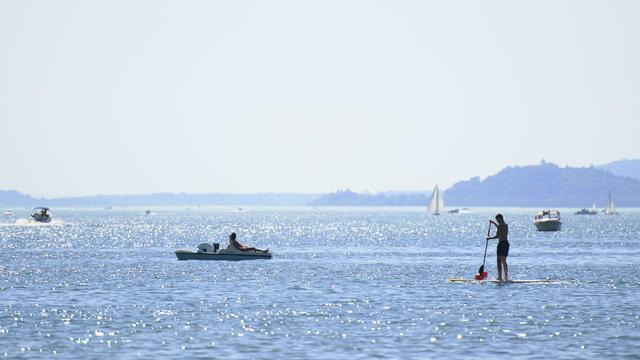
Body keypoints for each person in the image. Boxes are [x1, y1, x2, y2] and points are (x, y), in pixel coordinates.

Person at [486, 213, 509, 283]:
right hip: (506, 244)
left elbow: (497, 236)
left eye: (497, 220)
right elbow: (500, 229)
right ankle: (506, 277)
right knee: (504, 261)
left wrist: (489, 238)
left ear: (500, 218)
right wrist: (493, 223)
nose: (497, 221)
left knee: (499, 261)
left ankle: (499, 277)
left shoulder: (500, 225)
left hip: (501, 244)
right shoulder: (505, 225)